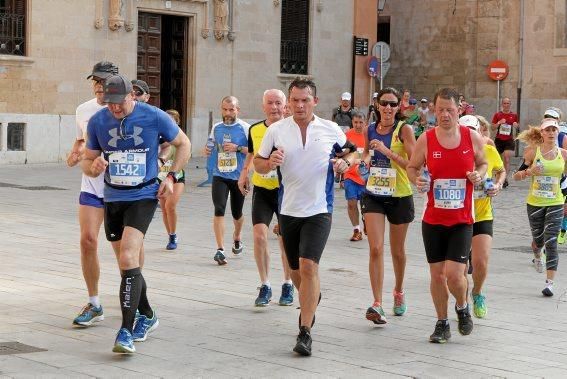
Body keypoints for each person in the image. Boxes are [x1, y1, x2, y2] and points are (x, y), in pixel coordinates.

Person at [81, 74, 191, 353]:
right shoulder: (98, 121)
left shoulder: (154, 116)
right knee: (126, 265)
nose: (114, 108)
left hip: (144, 195)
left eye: (119, 103)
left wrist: (171, 176)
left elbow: (184, 144)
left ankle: (125, 332)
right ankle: (148, 314)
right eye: (109, 103)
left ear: (132, 95)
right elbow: (87, 159)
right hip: (113, 197)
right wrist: (92, 166)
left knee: (129, 256)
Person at [254, 78, 355, 356]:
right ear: (289, 102)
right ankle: (312, 296)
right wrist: (269, 163)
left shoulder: (330, 128)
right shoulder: (276, 130)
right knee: (298, 274)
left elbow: (354, 152)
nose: (299, 105)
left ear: (315, 102)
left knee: (309, 266)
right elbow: (258, 163)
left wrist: (346, 162)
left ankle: (305, 330)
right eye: (295, 100)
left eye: (305, 100)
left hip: (319, 209)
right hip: (288, 210)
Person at [407, 87, 487, 344]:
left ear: (459, 110)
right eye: (440, 109)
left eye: (449, 110)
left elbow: (483, 163)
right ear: (433, 109)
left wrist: (480, 174)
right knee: (437, 275)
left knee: (455, 274)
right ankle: (442, 322)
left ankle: (462, 306)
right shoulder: (427, 139)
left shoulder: (471, 137)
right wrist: (417, 180)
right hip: (433, 220)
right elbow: (412, 166)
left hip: (462, 219)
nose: (444, 115)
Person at [67, 61, 118, 327]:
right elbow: (81, 141)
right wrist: (75, 154)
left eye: (103, 81)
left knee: (126, 252)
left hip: (121, 191)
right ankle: (95, 302)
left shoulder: (127, 110)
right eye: (95, 81)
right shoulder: (83, 110)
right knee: (88, 241)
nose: (98, 86)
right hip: (91, 187)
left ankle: (136, 299)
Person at [360, 87, 416, 325]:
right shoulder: (369, 129)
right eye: (384, 103)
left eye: (393, 104)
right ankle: (377, 303)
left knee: (397, 251)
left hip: (400, 194)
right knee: (375, 248)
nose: (389, 108)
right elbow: (364, 153)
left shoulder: (404, 130)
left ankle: (399, 291)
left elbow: (413, 165)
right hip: (374, 193)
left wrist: (386, 151)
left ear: (399, 108)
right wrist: (362, 163)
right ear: (377, 105)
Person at [238, 89, 294, 307]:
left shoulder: (292, 129)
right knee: (259, 236)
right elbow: (252, 154)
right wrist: (244, 174)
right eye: (270, 103)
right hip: (262, 190)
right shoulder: (255, 129)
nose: (274, 107)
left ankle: (288, 282)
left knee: (284, 239)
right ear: (263, 107)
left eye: (278, 103)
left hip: (285, 191)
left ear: (285, 105)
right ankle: (265, 284)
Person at [513, 118, 567, 297]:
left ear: (557, 132)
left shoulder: (564, 154)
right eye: (548, 130)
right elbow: (516, 176)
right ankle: (537, 253)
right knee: (539, 240)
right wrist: (529, 172)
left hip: (556, 202)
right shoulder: (531, 152)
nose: (551, 133)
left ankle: (550, 283)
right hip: (535, 203)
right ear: (542, 133)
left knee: (551, 242)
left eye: (554, 130)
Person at [459, 115, 506, 318]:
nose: (470, 135)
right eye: (466, 131)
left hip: (482, 213)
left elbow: (500, 170)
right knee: (460, 266)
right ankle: (462, 300)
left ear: (479, 132)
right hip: (458, 215)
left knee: (481, 261)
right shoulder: (453, 152)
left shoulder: (488, 150)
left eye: (473, 131)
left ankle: (477, 293)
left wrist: (497, 185)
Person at [205, 96, 250, 265]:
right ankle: (220, 248)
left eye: (231, 109)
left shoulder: (245, 128)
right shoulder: (216, 127)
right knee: (219, 208)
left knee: (237, 212)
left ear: (238, 110)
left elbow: (253, 152)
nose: (228, 113)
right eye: (225, 109)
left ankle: (237, 236)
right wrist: (208, 149)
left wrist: (237, 148)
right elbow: (211, 144)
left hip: (239, 176)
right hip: (220, 175)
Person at [157, 109, 187, 250]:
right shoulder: (157, 136)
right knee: (164, 208)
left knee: (170, 205)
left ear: (177, 122)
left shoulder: (180, 138)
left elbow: (185, 156)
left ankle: (174, 234)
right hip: (160, 176)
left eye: (171, 120)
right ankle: (170, 235)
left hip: (176, 176)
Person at [343, 110, 367, 242]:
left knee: (366, 206)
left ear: (365, 122)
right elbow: (341, 153)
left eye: (361, 122)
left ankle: (367, 222)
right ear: (352, 122)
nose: (358, 125)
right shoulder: (347, 136)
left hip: (365, 177)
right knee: (351, 203)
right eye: (355, 122)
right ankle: (357, 230)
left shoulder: (369, 135)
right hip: (350, 175)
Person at [491, 97, 519, 188]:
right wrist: (499, 122)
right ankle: (499, 177)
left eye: (508, 103)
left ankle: (504, 179)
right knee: (498, 160)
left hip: (509, 140)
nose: (506, 105)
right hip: (499, 139)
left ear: (510, 104)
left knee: (506, 159)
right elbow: (492, 127)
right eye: (504, 103)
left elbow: (518, 127)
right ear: (502, 104)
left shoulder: (514, 115)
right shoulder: (497, 115)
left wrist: (516, 126)